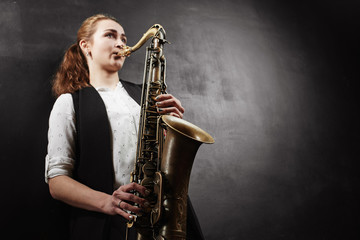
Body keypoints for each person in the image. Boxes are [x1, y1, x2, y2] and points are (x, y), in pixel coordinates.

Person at [45, 14, 203, 240]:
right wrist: (108, 202)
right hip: (108, 227)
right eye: (110, 35)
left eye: (123, 38)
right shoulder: (70, 102)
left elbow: (165, 160)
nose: (121, 43)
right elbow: (57, 182)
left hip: (163, 220)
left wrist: (171, 125)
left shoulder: (148, 96)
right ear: (86, 45)